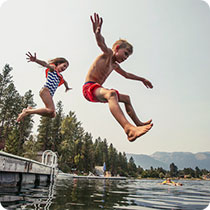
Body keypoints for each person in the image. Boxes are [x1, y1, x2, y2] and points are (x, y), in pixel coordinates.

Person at [82, 13, 153, 142]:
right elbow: (101, 43)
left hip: (98, 90)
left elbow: (127, 75)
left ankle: (138, 124)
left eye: (128, 57)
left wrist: (142, 79)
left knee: (126, 98)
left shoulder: (114, 65)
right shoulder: (108, 54)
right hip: (89, 88)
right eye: (125, 54)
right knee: (112, 94)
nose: (125, 58)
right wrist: (97, 33)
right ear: (117, 48)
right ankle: (128, 129)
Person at [17, 52, 71, 122]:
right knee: (51, 110)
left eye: (66, 68)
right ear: (58, 64)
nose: (64, 68)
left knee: (52, 114)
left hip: (49, 94)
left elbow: (64, 82)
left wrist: (67, 87)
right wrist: (36, 60)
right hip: (46, 90)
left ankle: (29, 110)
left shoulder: (60, 76)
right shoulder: (53, 69)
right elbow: (45, 64)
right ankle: (27, 111)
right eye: (64, 65)